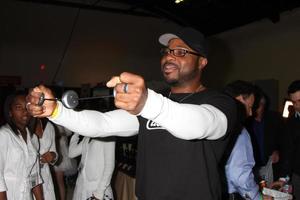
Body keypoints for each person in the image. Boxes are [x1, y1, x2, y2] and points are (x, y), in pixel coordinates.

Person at [26, 27, 239, 200]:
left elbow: (201, 125)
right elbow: (103, 124)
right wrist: (56, 111)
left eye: (181, 52)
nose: (169, 57)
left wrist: (148, 102)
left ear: (202, 62)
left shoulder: (221, 103)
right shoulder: (158, 101)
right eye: (167, 51)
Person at [224, 80, 271, 200]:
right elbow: (240, 175)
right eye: (250, 107)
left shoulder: (212, 122)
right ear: (239, 100)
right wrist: (258, 197)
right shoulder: (239, 132)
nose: (250, 113)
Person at [0, 91, 44, 200]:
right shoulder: (4, 134)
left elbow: (34, 174)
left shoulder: (33, 138)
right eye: (19, 108)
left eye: (27, 107)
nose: (25, 112)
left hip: (25, 195)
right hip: (8, 194)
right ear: (10, 112)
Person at [246, 86, 284, 183]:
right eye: (254, 105)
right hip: (251, 167)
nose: (256, 109)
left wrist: (277, 150)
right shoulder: (245, 122)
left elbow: (284, 141)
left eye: (260, 105)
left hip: (271, 166)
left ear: (264, 105)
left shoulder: (275, 118)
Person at [68, 133, 115, 200]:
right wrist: (76, 133)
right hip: (81, 185)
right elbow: (71, 153)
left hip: (97, 188)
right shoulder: (87, 136)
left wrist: (99, 193)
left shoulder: (108, 136)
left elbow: (109, 167)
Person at [277, 80, 300, 199]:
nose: (297, 106)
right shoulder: (291, 123)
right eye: (294, 102)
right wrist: (283, 178)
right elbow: (288, 152)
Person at [31, 118, 58, 200]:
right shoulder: (23, 126)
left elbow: (54, 152)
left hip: (46, 176)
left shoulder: (49, 126)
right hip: (30, 178)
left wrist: (53, 155)